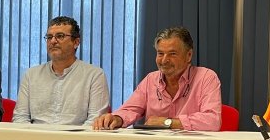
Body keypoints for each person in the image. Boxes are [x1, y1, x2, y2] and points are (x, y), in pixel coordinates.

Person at [93, 26, 221, 131]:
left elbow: (212, 120)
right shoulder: (151, 79)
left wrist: (167, 122)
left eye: (172, 54)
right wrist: (116, 118)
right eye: (160, 53)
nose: (164, 60)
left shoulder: (206, 77)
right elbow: (130, 109)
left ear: (188, 55)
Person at [12, 16, 110, 126]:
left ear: (76, 42)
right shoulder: (31, 75)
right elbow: (20, 117)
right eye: (49, 37)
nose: (53, 41)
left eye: (60, 36)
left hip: (77, 136)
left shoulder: (94, 75)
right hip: (35, 135)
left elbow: (95, 121)